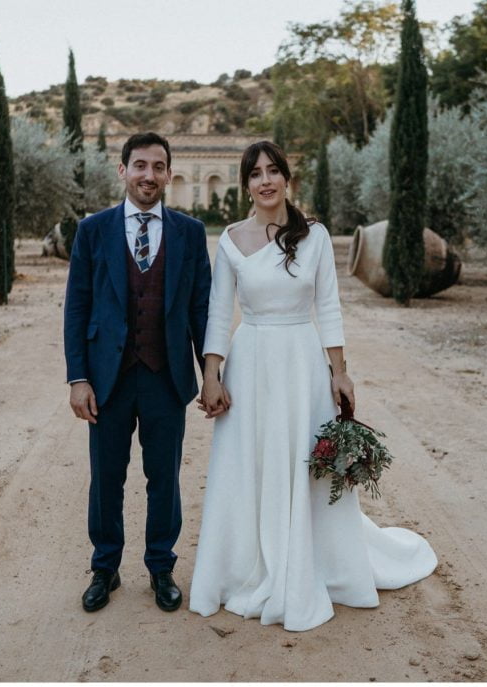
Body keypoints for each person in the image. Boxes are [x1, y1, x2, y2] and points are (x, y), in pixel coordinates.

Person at [189, 141, 437, 632]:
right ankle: (248, 565)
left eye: (274, 171)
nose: (266, 181)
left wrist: (339, 370)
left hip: (302, 363)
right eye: (256, 173)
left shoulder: (315, 236)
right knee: (251, 464)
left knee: (307, 464)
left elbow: (328, 306)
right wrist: (211, 374)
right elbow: (219, 313)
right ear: (245, 184)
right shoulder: (233, 240)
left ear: (287, 178)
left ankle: (313, 561)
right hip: (252, 361)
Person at [64, 132, 211, 613]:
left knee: (163, 477)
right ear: (123, 170)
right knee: (106, 477)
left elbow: (201, 308)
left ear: (169, 174)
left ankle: (161, 566)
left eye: (159, 166)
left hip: (166, 375)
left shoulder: (190, 233)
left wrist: (210, 371)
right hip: (108, 378)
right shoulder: (93, 230)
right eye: (140, 165)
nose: (150, 175)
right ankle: (105, 568)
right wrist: (78, 377)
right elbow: (77, 307)